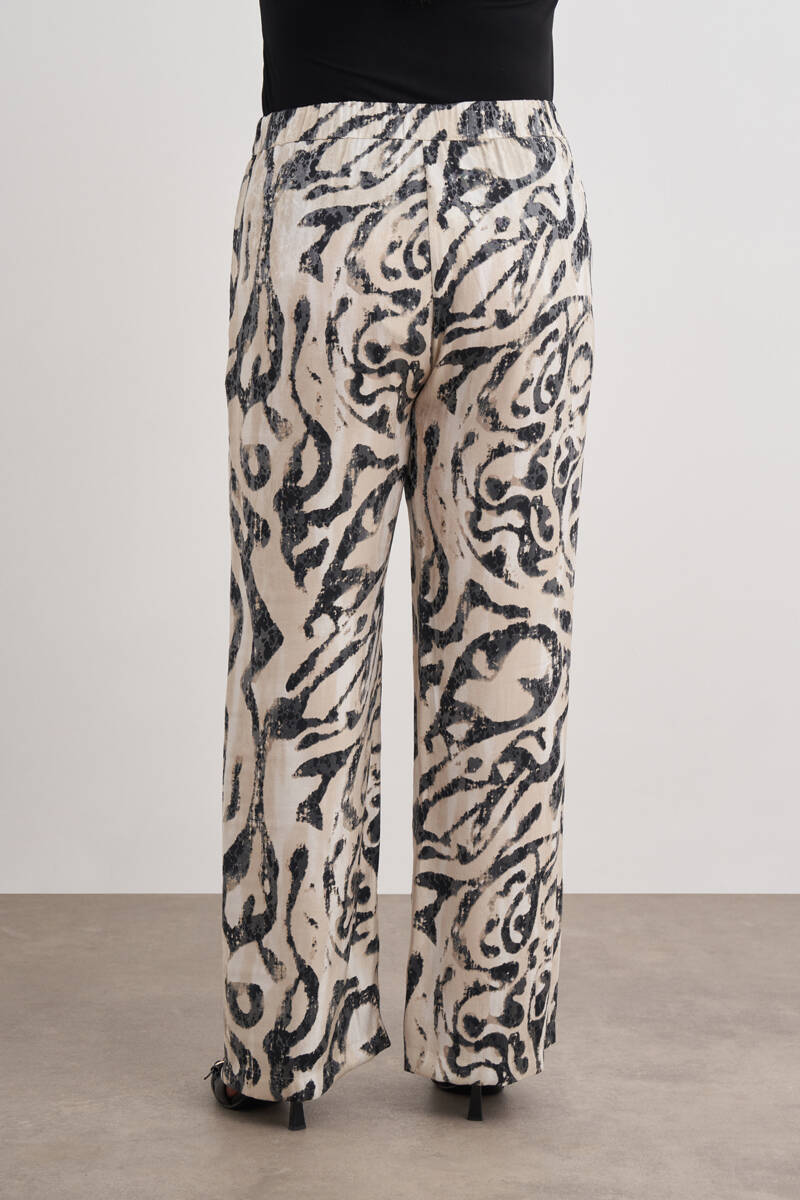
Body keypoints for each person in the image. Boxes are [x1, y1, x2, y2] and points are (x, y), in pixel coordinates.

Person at [206, 0, 595, 1131]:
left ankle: (283, 1040)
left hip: (325, 183)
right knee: (508, 628)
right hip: (516, 197)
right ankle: (483, 1030)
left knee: (301, 640)